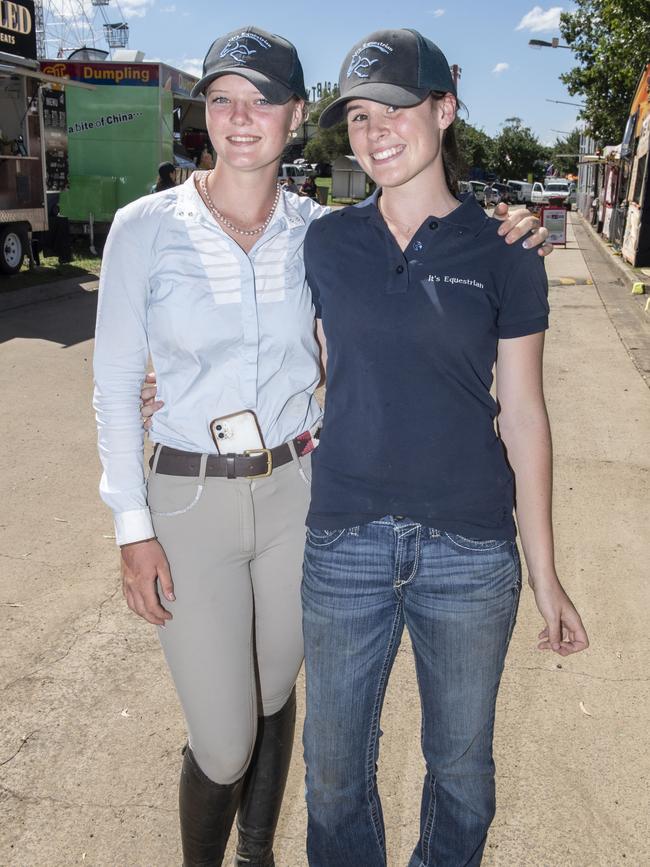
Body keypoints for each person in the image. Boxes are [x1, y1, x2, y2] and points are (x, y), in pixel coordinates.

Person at [97, 24, 551, 867]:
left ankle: (258, 853)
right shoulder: (149, 226)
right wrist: (131, 521)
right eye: (223, 100)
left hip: (295, 489)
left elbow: (361, 345)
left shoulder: (315, 230)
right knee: (232, 738)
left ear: (295, 116)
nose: (241, 118)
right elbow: (115, 381)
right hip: (196, 496)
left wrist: (517, 225)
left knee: (277, 691)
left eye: (262, 100)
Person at [300, 28, 589, 866]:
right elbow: (287, 360)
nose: (375, 129)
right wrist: (169, 384)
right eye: (358, 114)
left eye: (395, 107)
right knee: (330, 774)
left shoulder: (506, 251)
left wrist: (546, 576)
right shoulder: (326, 242)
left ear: (444, 108)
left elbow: (525, 415)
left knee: (461, 773)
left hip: (469, 550)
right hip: (345, 540)